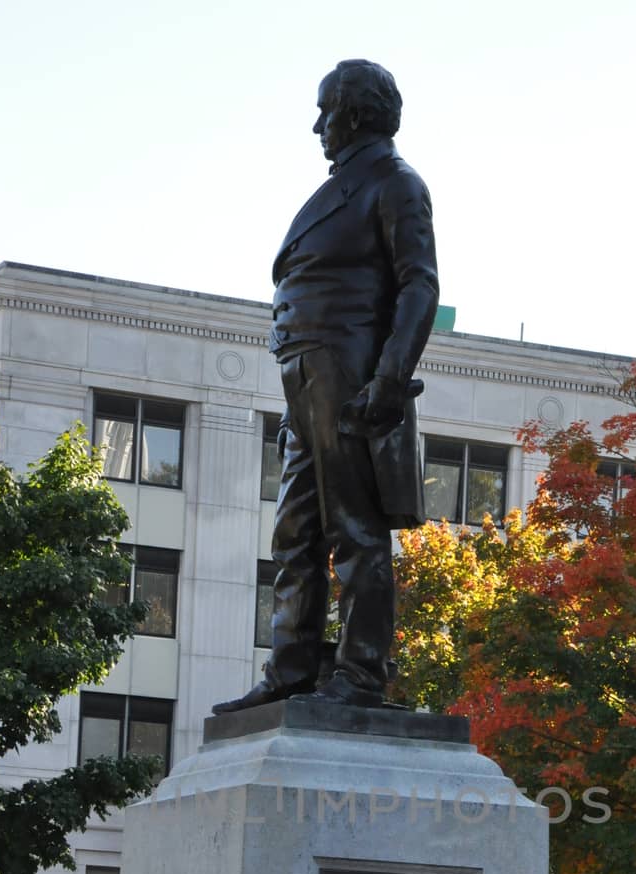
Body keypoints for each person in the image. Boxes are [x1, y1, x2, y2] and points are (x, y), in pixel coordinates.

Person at [212, 59, 438, 715]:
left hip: (348, 369)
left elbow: (418, 284)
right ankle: (291, 670)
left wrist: (389, 378)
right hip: (305, 378)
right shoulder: (344, 187)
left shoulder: (393, 183)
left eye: (325, 110)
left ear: (355, 112)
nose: (317, 126)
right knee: (293, 534)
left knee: (354, 530)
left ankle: (360, 675)